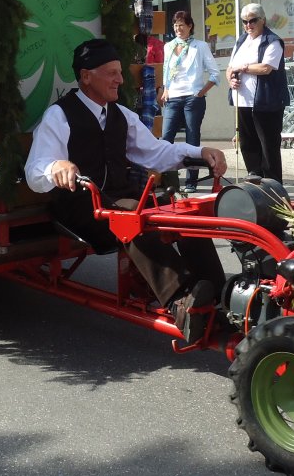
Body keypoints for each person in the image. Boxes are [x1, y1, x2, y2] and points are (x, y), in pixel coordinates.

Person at [25, 39, 228, 345]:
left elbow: (157, 152)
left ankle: (219, 294)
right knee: (133, 213)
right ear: (86, 76)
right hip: (81, 207)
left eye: (120, 72)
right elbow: (34, 170)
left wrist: (202, 152)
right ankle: (181, 302)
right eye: (111, 73)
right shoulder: (60, 115)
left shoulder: (122, 115)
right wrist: (56, 166)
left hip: (120, 198)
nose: (120, 79)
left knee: (179, 213)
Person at [226, 3, 290, 183]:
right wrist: (230, 79)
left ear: (263, 20)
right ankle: (254, 178)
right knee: (247, 143)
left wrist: (243, 67)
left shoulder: (272, 40)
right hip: (243, 101)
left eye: (252, 20)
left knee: (268, 146)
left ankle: (273, 185)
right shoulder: (241, 41)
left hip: (266, 102)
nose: (248, 25)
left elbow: (266, 68)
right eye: (244, 21)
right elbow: (230, 68)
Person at [158, 10, 220, 192]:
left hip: (193, 97)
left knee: (192, 139)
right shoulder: (168, 46)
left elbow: (215, 73)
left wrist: (201, 92)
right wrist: (165, 89)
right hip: (173, 97)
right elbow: (166, 70)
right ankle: (168, 180)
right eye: (176, 26)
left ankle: (191, 182)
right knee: (166, 138)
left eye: (182, 25)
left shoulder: (200, 46)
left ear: (190, 26)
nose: (178, 29)